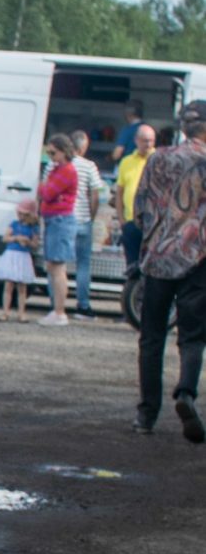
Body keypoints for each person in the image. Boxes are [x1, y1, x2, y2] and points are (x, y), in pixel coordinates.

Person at [132, 96, 206, 441]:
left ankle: (146, 415)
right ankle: (186, 393)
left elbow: (139, 210)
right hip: (198, 260)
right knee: (192, 337)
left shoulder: (158, 158)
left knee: (151, 337)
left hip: (157, 259)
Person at [36, 135, 79, 324]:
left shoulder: (67, 171)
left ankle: (59, 311)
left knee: (58, 267)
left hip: (60, 221)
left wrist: (41, 186)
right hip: (55, 220)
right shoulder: (58, 169)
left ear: (63, 151)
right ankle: (56, 310)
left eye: (53, 153)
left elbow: (47, 193)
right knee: (53, 266)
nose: (50, 156)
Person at [69, 129, 106, 317]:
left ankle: (56, 306)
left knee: (57, 265)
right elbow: (95, 196)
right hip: (83, 220)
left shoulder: (58, 164)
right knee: (83, 264)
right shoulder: (89, 166)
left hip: (64, 219)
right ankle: (83, 306)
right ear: (83, 147)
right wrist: (91, 217)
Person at [115, 123, 155, 272]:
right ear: (136, 140)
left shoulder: (159, 160)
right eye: (145, 141)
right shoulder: (126, 162)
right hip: (131, 221)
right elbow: (119, 193)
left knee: (149, 266)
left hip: (152, 223)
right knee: (132, 266)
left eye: (151, 141)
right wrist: (122, 220)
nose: (148, 144)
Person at [0, 197, 39, 320]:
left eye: (24, 214)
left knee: (22, 287)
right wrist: (16, 238)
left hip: (23, 257)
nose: (21, 216)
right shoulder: (14, 224)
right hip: (12, 255)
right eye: (20, 213)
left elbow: (35, 244)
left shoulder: (33, 228)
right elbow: (5, 238)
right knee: (8, 285)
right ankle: (5, 312)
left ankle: (21, 313)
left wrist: (28, 242)